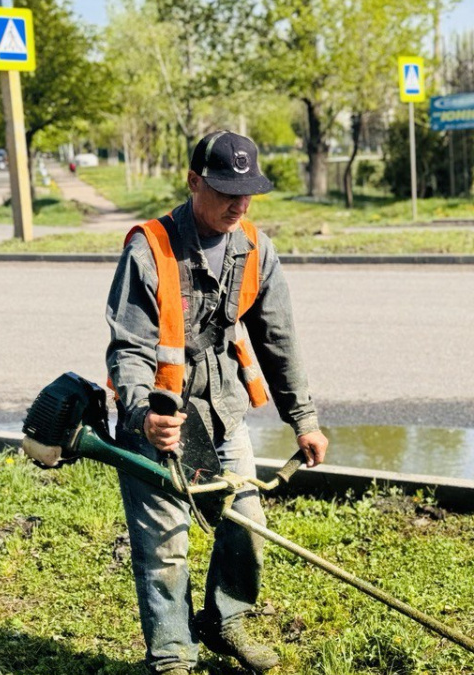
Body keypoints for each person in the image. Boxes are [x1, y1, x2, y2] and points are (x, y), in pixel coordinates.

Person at [106, 130, 329, 675]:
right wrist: (145, 415)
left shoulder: (255, 247)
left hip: (223, 412)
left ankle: (224, 621)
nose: (239, 203)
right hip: (160, 418)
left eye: (248, 191)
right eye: (227, 190)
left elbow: (279, 341)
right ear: (193, 181)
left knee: (246, 525)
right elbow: (128, 349)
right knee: (165, 544)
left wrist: (304, 419)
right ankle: (172, 655)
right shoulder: (150, 248)